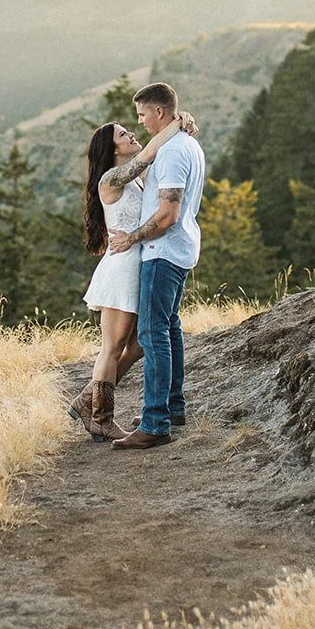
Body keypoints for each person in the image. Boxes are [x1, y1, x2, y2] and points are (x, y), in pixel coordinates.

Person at [71, 110, 196, 441]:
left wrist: (182, 126)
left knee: (140, 343)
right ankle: (100, 416)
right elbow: (150, 153)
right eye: (122, 135)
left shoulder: (135, 179)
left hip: (140, 263)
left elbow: (165, 164)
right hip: (122, 267)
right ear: (113, 151)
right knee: (112, 347)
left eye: (129, 130)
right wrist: (175, 122)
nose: (130, 135)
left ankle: (89, 397)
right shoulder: (110, 180)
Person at [108, 82, 206, 451]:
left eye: (142, 114)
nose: (141, 121)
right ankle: (173, 406)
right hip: (177, 249)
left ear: (160, 113)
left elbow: (167, 214)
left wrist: (130, 238)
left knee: (152, 335)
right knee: (169, 327)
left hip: (163, 251)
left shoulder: (173, 153)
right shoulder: (183, 144)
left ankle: (155, 423)